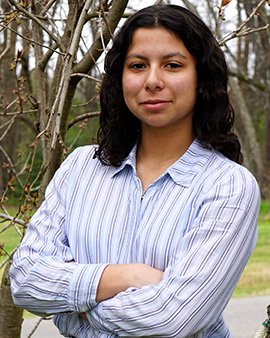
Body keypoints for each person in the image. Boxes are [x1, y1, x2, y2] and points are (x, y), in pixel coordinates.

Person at [10, 4, 260, 338]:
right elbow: (25, 281)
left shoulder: (227, 185)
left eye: (172, 65)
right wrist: (129, 277)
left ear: (201, 79)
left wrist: (71, 309)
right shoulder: (80, 169)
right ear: (120, 77)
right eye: (138, 65)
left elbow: (171, 319)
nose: (153, 80)